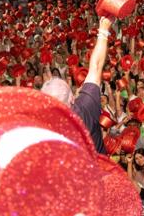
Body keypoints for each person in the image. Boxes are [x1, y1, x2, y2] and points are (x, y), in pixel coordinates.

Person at [41, 16, 113, 154]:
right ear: (72, 98)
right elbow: (96, 66)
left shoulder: (45, 129)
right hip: (99, 171)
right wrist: (103, 30)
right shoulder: (85, 106)